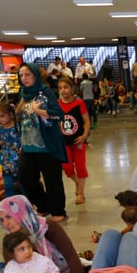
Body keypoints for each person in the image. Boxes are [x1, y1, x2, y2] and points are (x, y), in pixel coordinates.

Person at [15, 62, 68, 221]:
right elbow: (21, 116)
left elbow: (59, 115)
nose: (24, 78)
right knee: (26, 178)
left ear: (35, 76)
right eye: (22, 75)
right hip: (27, 145)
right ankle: (43, 205)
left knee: (52, 180)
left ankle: (58, 210)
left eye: (27, 75)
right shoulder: (22, 93)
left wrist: (40, 112)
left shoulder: (46, 92)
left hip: (47, 145)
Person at [0, 195, 85, 273]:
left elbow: (69, 253)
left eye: (8, 217)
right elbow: (11, 269)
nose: (6, 224)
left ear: (22, 213)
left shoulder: (48, 226)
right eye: (1, 220)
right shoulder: (10, 240)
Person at [57, 77, 90, 205]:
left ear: (71, 88)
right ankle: (77, 182)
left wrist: (84, 136)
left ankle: (81, 193)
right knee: (67, 167)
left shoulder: (79, 103)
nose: (63, 91)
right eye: (60, 88)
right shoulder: (57, 104)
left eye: (65, 87)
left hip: (78, 141)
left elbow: (86, 121)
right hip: (64, 142)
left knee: (81, 167)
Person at [0, 102, 22, 198]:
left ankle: (28, 206)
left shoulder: (17, 127)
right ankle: (9, 206)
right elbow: (3, 142)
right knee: (8, 185)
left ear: (11, 114)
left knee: (23, 184)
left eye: (2, 116)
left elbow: (22, 141)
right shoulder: (0, 128)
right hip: (6, 162)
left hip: (19, 160)